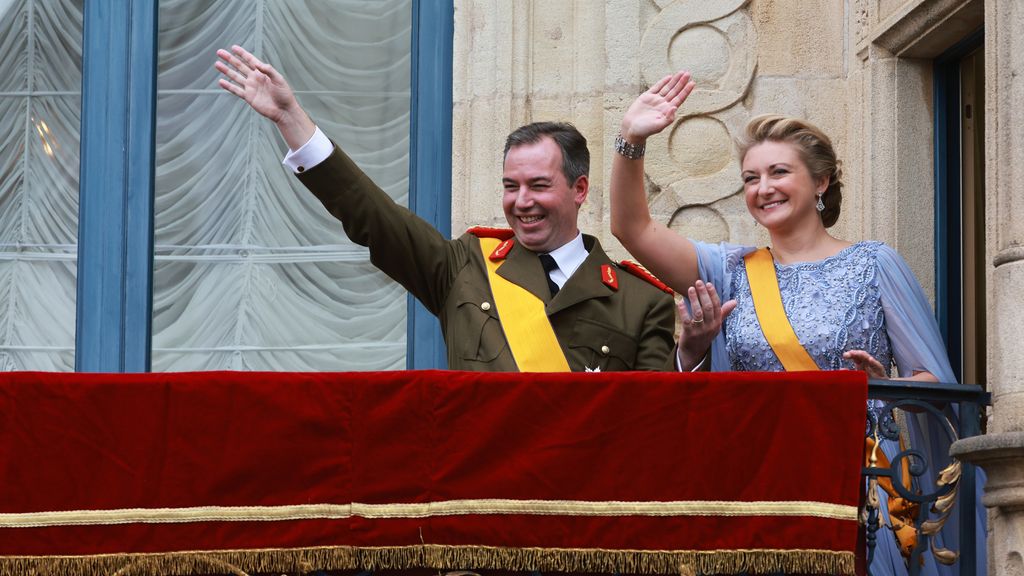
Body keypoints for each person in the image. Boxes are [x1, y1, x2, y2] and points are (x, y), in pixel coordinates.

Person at [608, 71, 984, 575]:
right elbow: (631, 228)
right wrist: (631, 139)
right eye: (750, 178)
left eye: (779, 173)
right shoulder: (729, 270)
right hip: (757, 485)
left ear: (821, 182)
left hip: (851, 489)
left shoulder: (874, 265)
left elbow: (935, 385)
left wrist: (881, 386)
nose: (764, 189)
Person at [214, 45, 677, 372]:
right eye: (510, 186)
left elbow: (654, 428)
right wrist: (290, 118)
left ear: (579, 189)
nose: (522, 202)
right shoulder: (465, 267)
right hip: (477, 503)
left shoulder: (641, 300)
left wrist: (693, 351)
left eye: (538, 185)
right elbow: (372, 216)